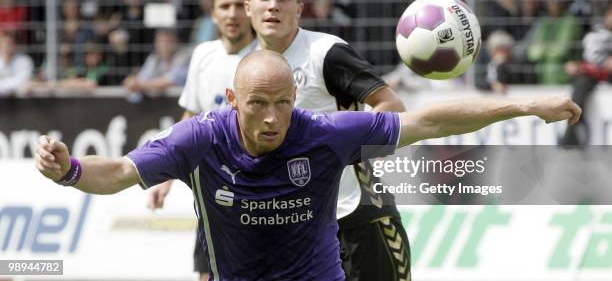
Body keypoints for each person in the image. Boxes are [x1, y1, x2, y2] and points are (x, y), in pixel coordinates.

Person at [36, 50, 581, 280]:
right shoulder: (199, 139)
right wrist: (70, 172)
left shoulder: (324, 134)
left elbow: (430, 122)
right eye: (258, 104)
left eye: (282, 103)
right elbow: (122, 173)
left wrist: (526, 105)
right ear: (232, 98)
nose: (272, 118)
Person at [152, 0, 412, 280]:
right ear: (249, 7)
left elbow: (391, 106)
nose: (273, 5)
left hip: (355, 219)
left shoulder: (326, 52)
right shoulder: (248, 68)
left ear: (299, 8)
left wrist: (348, 149)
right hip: (295, 232)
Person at [147, 0, 256, 281]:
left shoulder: (267, 54)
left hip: (260, 188)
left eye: (238, 5)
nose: (232, 13)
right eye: (224, 6)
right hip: (214, 188)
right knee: (207, 273)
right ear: (213, 14)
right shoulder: (203, 54)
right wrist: (165, 177)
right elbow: (190, 118)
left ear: (250, 10)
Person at [561, 2, 612, 146]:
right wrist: (605, 63)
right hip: (596, 73)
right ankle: (571, 132)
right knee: (581, 85)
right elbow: (592, 58)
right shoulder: (595, 34)